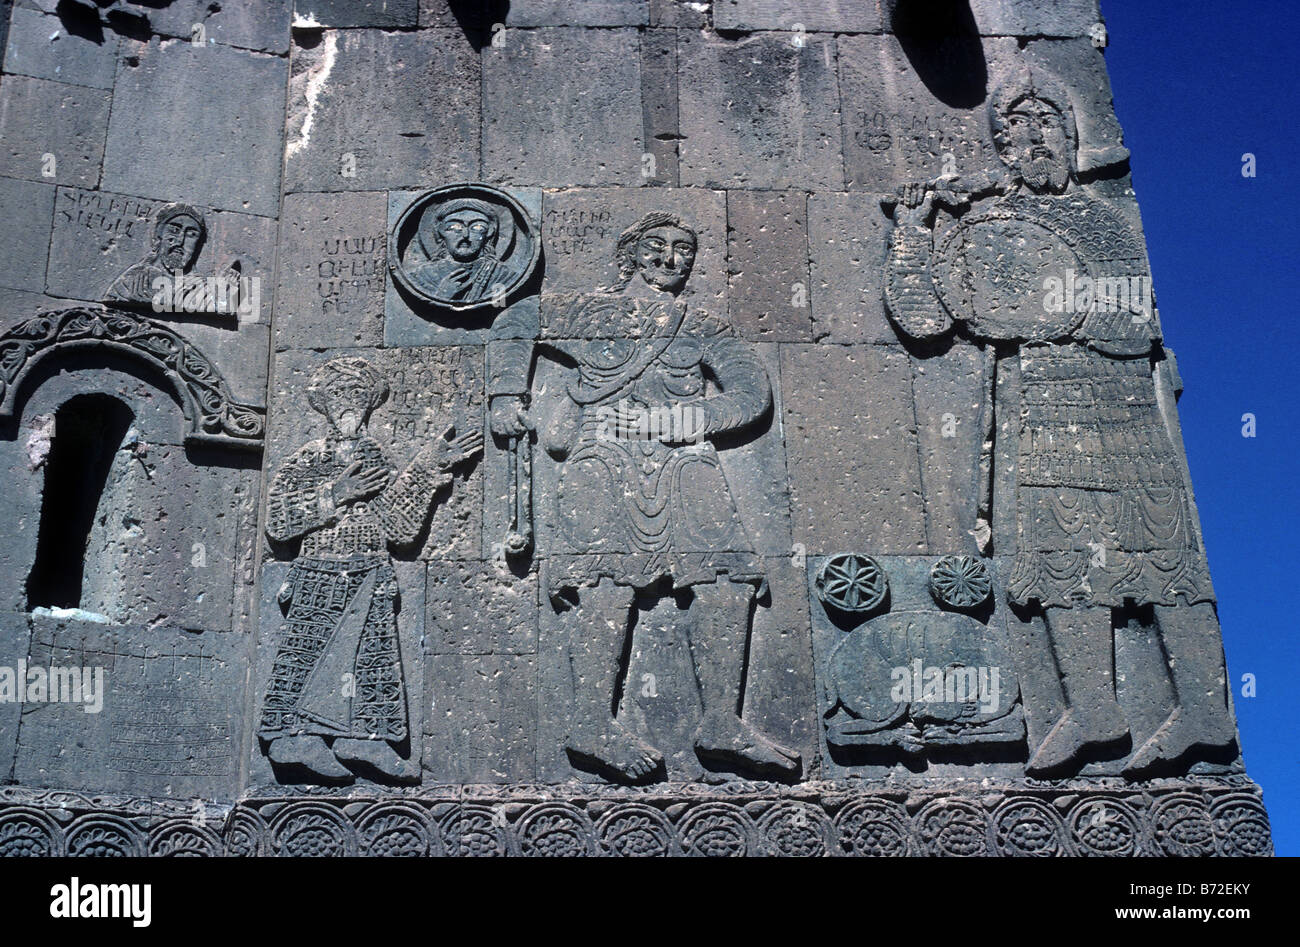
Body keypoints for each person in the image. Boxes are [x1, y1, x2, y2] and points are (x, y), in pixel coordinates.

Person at [882, 68, 1236, 776]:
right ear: (1003, 145)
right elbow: (926, 319)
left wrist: (1047, 308)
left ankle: (1203, 709)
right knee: (1060, 557)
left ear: (1070, 139)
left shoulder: (1101, 220)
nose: (1039, 138)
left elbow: (1131, 318)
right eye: (1022, 128)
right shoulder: (982, 224)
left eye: (1051, 124)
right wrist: (912, 233)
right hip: (1041, 405)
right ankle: (1096, 710)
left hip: (1122, 406)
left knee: (1164, 553)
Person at [492, 212, 800, 782]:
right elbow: (517, 318)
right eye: (656, 245)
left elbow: (752, 392)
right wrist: (505, 395)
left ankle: (721, 723)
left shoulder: (701, 325)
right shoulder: (589, 312)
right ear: (630, 253)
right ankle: (589, 721)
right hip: (605, 454)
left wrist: (681, 419)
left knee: (725, 576)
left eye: (684, 249)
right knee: (605, 579)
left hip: (685, 458)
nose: (670, 257)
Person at [259, 356, 481, 782]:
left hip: (371, 568)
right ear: (323, 403)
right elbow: (278, 520)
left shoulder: (373, 454)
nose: (349, 403)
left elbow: (397, 526)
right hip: (320, 570)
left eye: (357, 395)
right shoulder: (308, 458)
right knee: (306, 650)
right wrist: (335, 494)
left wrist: (427, 467)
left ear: (369, 403)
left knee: (371, 659)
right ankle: (292, 738)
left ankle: (363, 739)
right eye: (339, 394)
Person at [406, 197, 522, 305]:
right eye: (454, 227)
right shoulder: (423, 276)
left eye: (477, 228)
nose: (465, 235)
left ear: (489, 233)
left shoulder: (502, 275)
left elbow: (500, 306)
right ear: (440, 232)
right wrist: (443, 294)